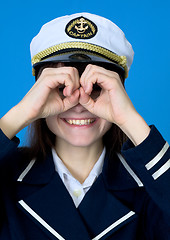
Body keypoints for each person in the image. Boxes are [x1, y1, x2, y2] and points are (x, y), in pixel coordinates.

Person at [0, 12, 169, 240]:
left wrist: (129, 118)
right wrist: (20, 114)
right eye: (61, 87)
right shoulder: (7, 176)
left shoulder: (151, 185)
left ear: (119, 93)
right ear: (38, 93)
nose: (79, 103)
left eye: (96, 86)